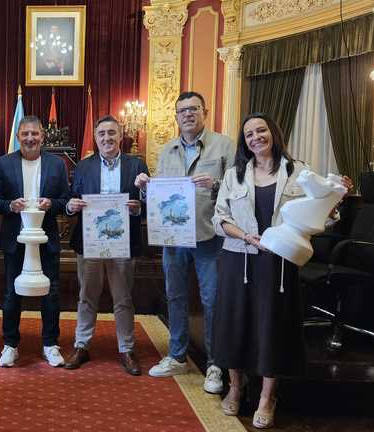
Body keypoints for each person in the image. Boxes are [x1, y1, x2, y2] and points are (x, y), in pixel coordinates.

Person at [211, 113, 350, 429]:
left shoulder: (297, 172)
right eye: (248, 134)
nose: (255, 137)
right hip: (238, 258)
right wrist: (246, 237)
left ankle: (267, 396)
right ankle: (235, 387)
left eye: (261, 130)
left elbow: (323, 216)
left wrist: (335, 195)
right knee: (235, 324)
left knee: (269, 326)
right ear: (244, 141)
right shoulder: (235, 175)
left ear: (273, 133)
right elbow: (219, 219)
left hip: (278, 261)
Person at [134, 91, 234, 393]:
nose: (188, 115)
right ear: (176, 116)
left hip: (209, 237)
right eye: (182, 111)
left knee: (212, 300)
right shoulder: (167, 151)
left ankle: (216, 363)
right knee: (175, 296)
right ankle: (177, 355)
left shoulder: (224, 146)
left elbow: (239, 189)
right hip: (174, 238)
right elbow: (159, 195)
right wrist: (143, 187)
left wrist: (215, 184)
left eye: (193, 109)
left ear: (204, 111)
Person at [63, 115, 149, 375]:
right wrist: (70, 206)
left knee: (123, 298)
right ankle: (81, 345)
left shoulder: (137, 165)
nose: (107, 138)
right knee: (86, 296)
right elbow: (71, 199)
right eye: (102, 134)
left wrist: (138, 207)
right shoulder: (83, 166)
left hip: (123, 243)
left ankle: (126, 348)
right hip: (90, 243)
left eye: (112, 133)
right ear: (96, 137)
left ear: (120, 135)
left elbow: (149, 203)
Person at [0, 115, 70, 368]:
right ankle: (10, 345)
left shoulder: (57, 164)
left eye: (35, 134)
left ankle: (50, 344)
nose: (30, 138)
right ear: (18, 136)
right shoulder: (3, 164)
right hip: (16, 239)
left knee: (52, 293)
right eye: (25, 134)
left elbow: (65, 200)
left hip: (46, 240)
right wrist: (10, 205)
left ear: (42, 136)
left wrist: (52, 204)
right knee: (12, 294)